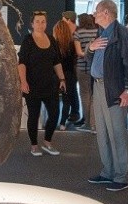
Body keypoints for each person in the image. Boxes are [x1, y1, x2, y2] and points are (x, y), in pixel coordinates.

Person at [85, 0, 128, 192]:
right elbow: (91, 59)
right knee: (102, 133)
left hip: (114, 89)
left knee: (116, 133)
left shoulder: (122, 33)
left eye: (97, 12)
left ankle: (120, 176)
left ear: (106, 12)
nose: (94, 15)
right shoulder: (102, 33)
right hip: (99, 86)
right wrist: (90, 48)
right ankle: (108, 171)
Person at [18, 10, 67, 156]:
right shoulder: (28, 40)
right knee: (34, 115)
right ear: (32, 24)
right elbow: (22, 63)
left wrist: (62, 79)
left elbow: (56, 62)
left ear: (46, 23)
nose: (40, 24)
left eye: (43, 21)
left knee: (55, 113)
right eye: (37, 22)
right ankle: (34, 145)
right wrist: (23, 81)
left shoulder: (51, 39)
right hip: (32, 85)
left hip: (50, 84)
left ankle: (47, 142)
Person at [53, 17, 79, 130]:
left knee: (54, 100)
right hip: (69, 74)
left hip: (56, 74)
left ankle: (53, 121)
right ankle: (63, 123)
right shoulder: (72, 44)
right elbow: (74, 59)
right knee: (66, 100)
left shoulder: (53, 44)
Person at [74, 13, 99, 133]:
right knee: (94, 96)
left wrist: (87, 54)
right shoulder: (97, 32)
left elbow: (79, 52)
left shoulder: (78, 33)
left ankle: (87, 123)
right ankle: (95, 124)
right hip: (95, 68)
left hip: (82, 67)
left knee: (85, 95)